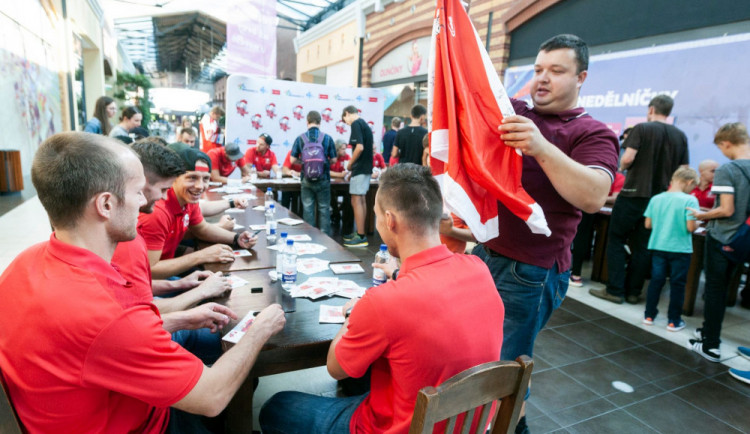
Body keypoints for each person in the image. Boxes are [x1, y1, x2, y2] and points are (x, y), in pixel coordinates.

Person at [0, 131, 285, 432]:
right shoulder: (107, 315)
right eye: (138, 191)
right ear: (106, 205)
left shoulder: (22, 264)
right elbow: (212, 395)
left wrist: (178, 320)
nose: (147, 201)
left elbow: (93, 347)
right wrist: (260, 327)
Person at [259, 164, 503, 434]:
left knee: (277, 406)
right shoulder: (479, 269)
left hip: (395, 427)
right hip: (465, 424)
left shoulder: (382, 302)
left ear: (390, 220)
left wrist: (355, 313)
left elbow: (335, 367)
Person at [471, 34, 618, 433]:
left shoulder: (592, 133)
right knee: (480, 356)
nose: (542, 79)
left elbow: (593, 195)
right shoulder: (516, 110)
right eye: (537, 69)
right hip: (485, 253)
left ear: (581, 77)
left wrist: (541, 147)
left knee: (505, 370)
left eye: (556, 71)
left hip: (530, 270)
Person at [113, 139, 234, 363]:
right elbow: (140, 314)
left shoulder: (126, 233)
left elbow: (138, 290)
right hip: (147, 340)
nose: (160, 198)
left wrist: (182, 284)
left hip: (148, 321)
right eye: (162, 189)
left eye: (205, 179)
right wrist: (197, 297)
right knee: (235, 344)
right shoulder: (144, 223)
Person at [591, 94, 689, 305]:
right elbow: (684, 170)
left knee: (616, 239)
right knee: (644, 246)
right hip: (658, 199)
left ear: (651, 109)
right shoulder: (680, 136)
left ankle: (615, 289)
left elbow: (627, 158)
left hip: (633, 194)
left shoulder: (642, 128)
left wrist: (622, 168)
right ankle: (633, 292)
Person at [137, 147, 257, 279]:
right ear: (175, 178)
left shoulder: (188, 199)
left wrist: (236, 238)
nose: (200, 186)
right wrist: (201, 256)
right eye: (192, 177)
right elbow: (149, 270)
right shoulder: (157, 211)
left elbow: (202, 229)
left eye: (205, 179)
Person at [689, 122, 750, 362]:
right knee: (727, 288)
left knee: (716, 290)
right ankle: (707, 332)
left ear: (726, 143)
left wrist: (702, 215)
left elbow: (726, 209)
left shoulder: (729, 169)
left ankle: (710, 345)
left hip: (724, 236)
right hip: (745, 239)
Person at [642, 166, 699, 332]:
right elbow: (690, 227)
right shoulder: (690, 200)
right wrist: (697, 223)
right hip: (680, 248)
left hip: (658, 245)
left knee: (656, 281)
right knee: (677, 284)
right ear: (689, 182)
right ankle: (673, 320)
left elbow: (648, 224)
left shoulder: (656, 198)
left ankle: (649, 315)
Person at [568, 171, 625, 287]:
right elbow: (614, 197)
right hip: (588, 206)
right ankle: (574, 273)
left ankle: (575, 274)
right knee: (581, 237)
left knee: (582, 237)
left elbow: (616, 198)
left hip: (588, 206)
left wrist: (596, 198)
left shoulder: (616, 177)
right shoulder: (603, 174)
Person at [291, 111, 337, 235]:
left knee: (307, 209)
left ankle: (309, 236)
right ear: (320, 122)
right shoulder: (327, 138)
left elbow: (292, 160)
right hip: (324, 179)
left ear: (307, 121)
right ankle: (325, 238)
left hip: (306, 179)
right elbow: (334, 159)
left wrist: (305, 162)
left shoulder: (300, 138)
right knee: (324, 209)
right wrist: (322, 163)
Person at [342, 105, 374, 247]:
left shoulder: (356, 123)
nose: (346, 123)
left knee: (356, 200)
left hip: (360, 167)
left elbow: (359, 147)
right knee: (360, 200)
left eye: (345, 120)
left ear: (347, 113)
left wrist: (350, 164)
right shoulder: (364, 124)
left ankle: (361, 236)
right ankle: (361, 233)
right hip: (365, 167)